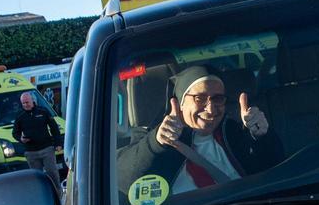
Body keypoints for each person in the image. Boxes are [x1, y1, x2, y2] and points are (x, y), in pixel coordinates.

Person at [118, 65, 283, 196]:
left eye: (217, 99)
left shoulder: (236, 133)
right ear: (180, 102)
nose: (211, 109)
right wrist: (157, 144)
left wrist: (263, 137)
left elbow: (276, 176)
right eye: (200, 98)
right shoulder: (152, 138)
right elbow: (123, 183)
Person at [12, 92, 63, 187]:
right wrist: (21, 139)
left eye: (27, 102)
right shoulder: (20, 116)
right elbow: (15, 133)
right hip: (31, 152)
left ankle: (58, 193)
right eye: (23, 103)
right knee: (37, 177)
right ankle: (42, 195)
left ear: (32, 100)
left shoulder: (43, 111)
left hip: (46, 148)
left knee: (52, 172)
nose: (25, 105)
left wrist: (58, 143)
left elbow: (54, 128)